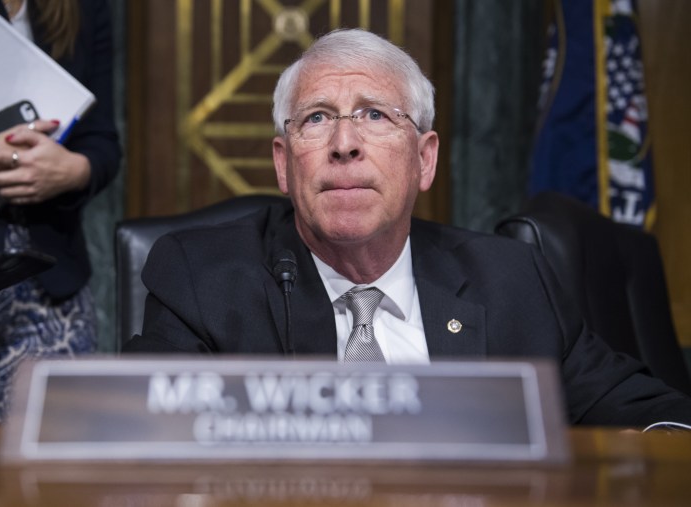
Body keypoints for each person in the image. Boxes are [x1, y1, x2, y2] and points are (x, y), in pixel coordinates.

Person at [123, 29, 691, 427]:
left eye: (375, 115)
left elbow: (646, 410)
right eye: (317, 118)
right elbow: (138, 436)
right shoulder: (202, 280)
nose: (345, 144)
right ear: (283, 162)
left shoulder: (512, 281)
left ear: (425, 159)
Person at [0, 0, 120, 422]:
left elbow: (103, 140)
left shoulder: (84, 8)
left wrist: (74, 170)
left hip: (51, 275)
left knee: (53, 465)